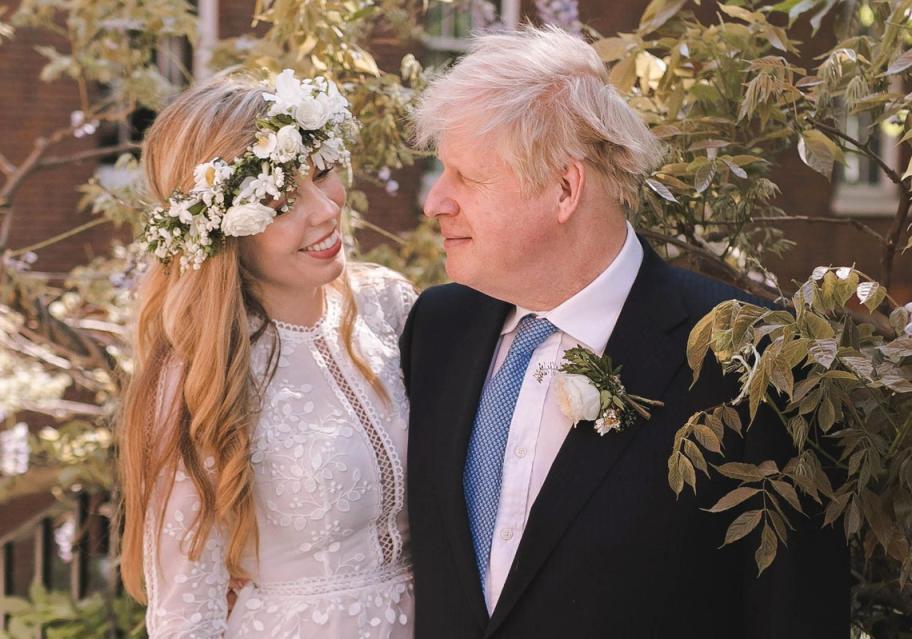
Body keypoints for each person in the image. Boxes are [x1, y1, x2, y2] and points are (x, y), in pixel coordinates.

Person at [401, 26, 850, 638]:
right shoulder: (436, 329)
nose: (436, 202)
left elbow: (794, 613)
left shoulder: (749, 356)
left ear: (565, 187)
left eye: (465, 177)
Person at [117, 70, 416, 638]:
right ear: (221, 230)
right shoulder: (199, 375)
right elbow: (187, 617)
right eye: (280, 202)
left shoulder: (389, 305)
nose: (325, 210)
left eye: (323, 172)